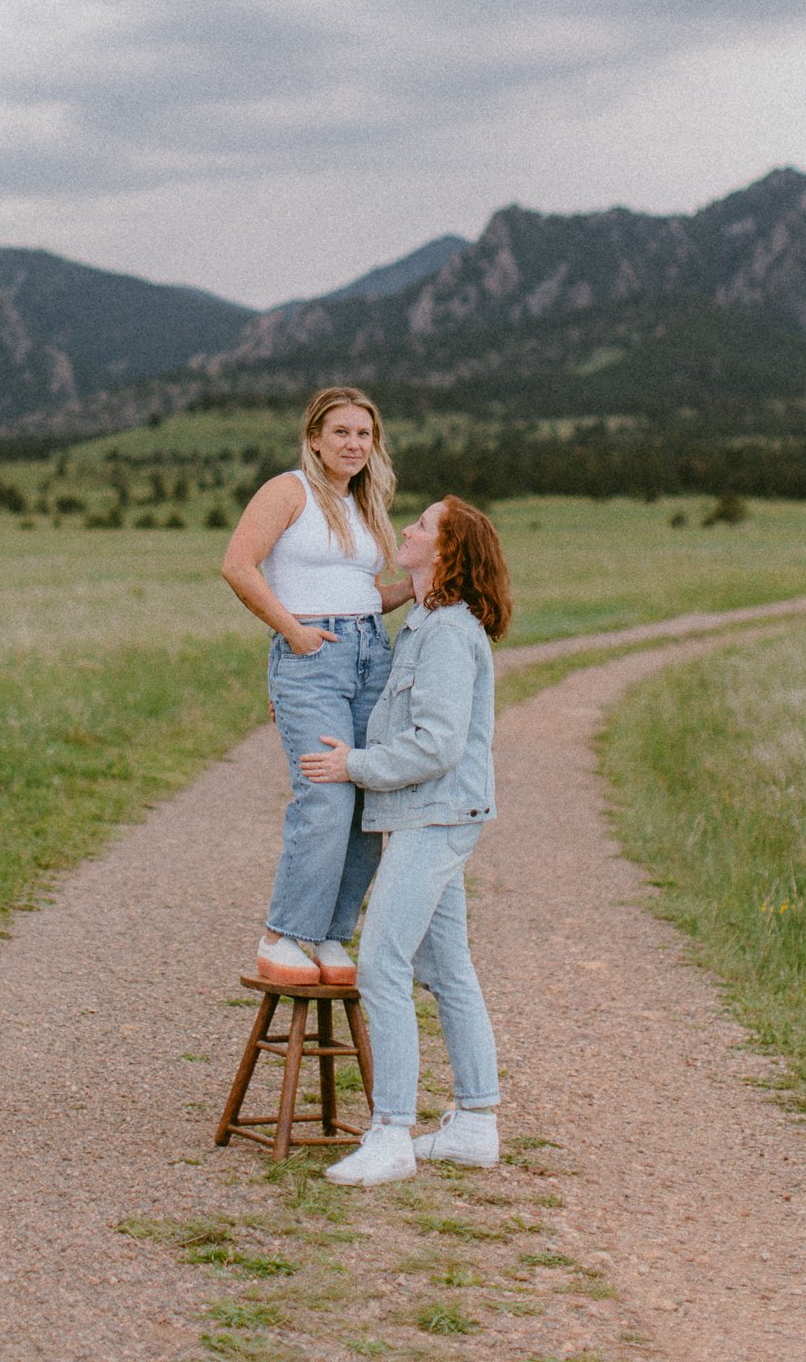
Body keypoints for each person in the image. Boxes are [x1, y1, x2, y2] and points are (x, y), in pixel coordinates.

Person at [300, 494, 510, 1186]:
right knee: (448, 971)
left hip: (435, 816)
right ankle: (475, 1125)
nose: (409, 531)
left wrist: (351, 766)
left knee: (380, 967)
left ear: (443, 552)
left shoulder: (448, 632)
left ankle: (390, 1133)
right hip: (432, 815)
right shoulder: (424, 623)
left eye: (421, 526)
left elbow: (438, 743)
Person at [221, 387, 412, 986]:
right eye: (342, 433)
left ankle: (330, 936)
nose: (354, 443)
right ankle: (282, 936)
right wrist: (292, 636)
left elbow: (360, 595)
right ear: (314, 439)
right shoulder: (289, 491)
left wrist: (413, 589)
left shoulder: (366, 503)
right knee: (325, 797)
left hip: (368, 652)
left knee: (368, 798)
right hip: (314, 655)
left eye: (365, 434)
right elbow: (238, 565)